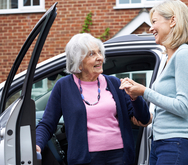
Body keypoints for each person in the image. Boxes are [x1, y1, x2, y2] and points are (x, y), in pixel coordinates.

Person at [36, 33, 151, 165]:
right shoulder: (63, 86)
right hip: (84, 159)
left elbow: (143, 119)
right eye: (92, 54)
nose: (100, 58)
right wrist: (37, 144)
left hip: (120, 156)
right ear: (78, 62)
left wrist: (135, 98)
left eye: (99, 53)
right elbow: (47, 123)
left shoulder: (114, 83)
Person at [120, 0, 188, 165]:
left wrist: (144, 91)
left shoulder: (184, 54)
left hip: (176, 142)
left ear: (172, 21)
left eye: (155, 22)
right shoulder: (167, 59)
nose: (151, 28)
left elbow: (184, 107)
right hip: (162, 142)